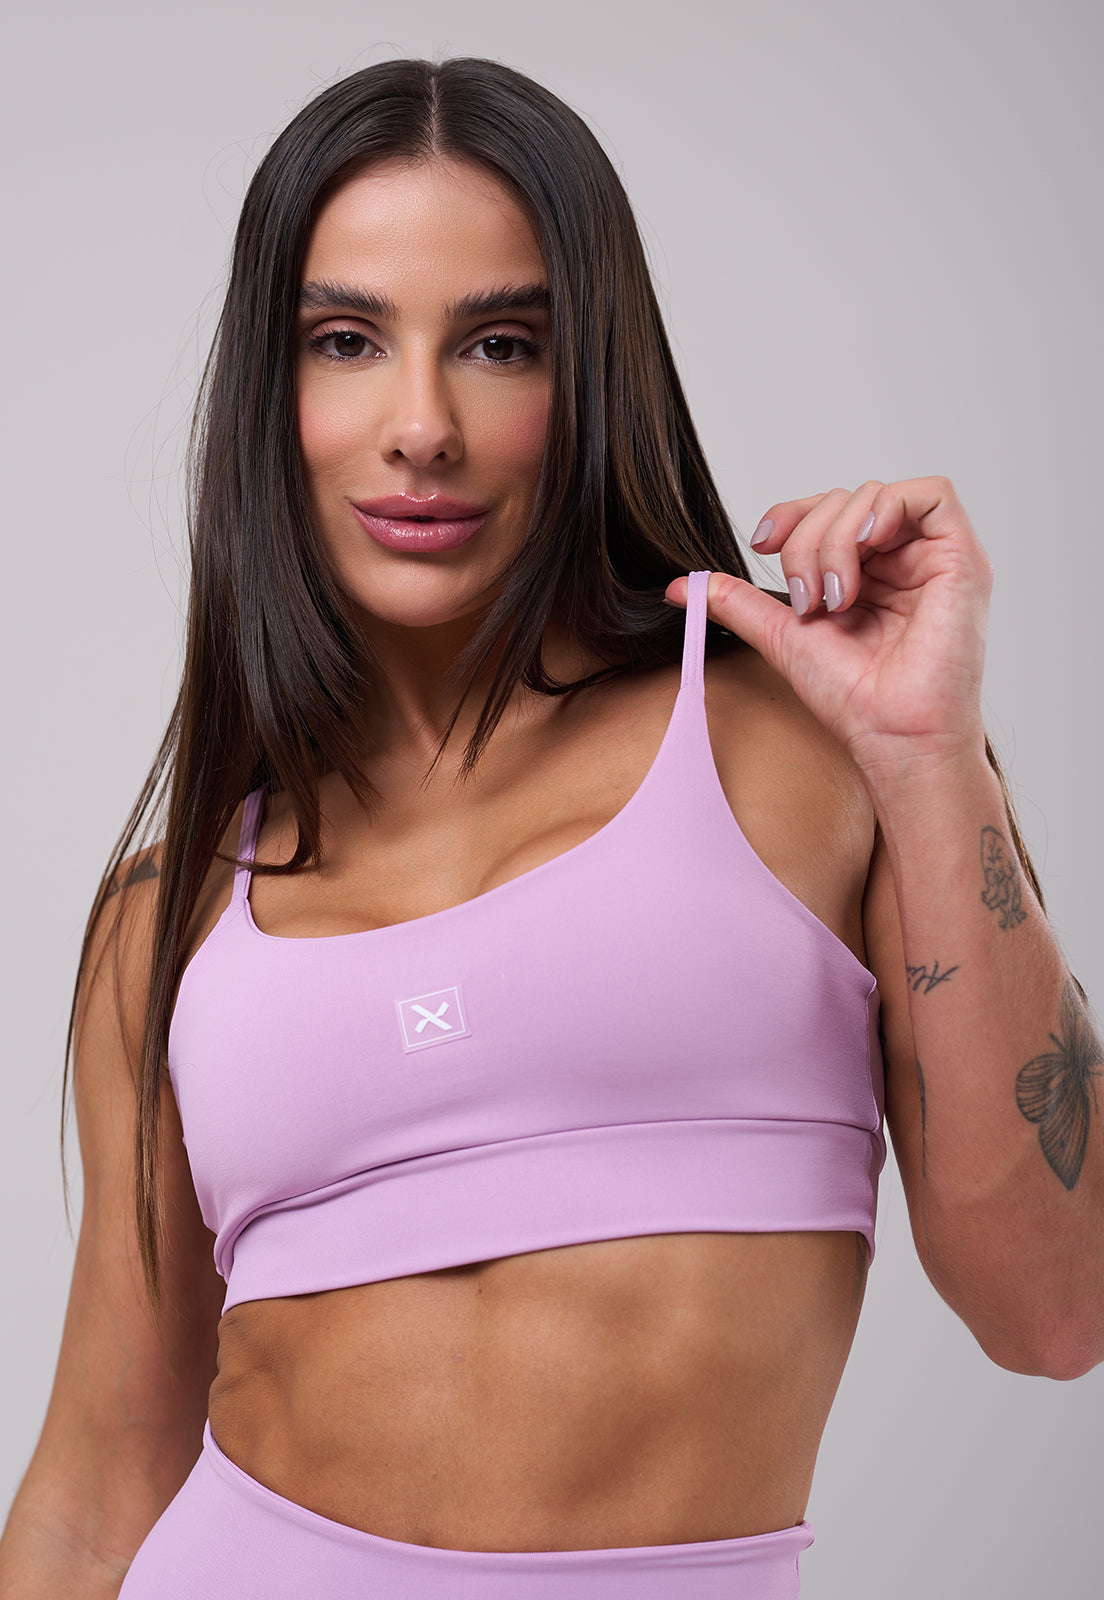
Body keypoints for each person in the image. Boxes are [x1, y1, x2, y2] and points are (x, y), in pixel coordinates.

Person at [0, 54, 1100, 1600]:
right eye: (345, 341)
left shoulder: (804, 755)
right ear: (271, 394)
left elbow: (1057, 1309)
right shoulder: (173, 918)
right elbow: (94, 1492)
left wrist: (931, 763)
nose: (422, 426)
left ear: (589, 378)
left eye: (500, 343)